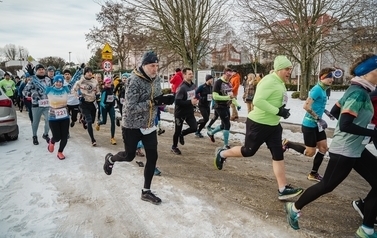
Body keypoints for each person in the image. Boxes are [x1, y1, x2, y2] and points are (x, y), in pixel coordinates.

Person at [284, 54, 377, 238]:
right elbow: (345, 124)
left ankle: (367, 227)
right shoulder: (358, 93)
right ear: (366, 73)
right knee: (327, 185)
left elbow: (335, 110)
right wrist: (373, 132)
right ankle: (294, 207)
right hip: (345, 150)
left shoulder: (358, 90)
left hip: (356, 148)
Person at [213, 56, 304, 200]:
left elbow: (274, 100)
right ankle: (222, 154)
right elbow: (258, 101)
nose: (289, 72)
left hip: (274, 126)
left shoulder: (280, 82)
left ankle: (282, 189)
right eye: (287, 69)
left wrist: (282, 110)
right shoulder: (269, 81)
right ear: (279, 69)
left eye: (290, 69)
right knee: (248, 151)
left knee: (278, 154)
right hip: (259, 124)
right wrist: (278, 111)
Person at [103, 50, 174, 205]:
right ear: (144, 65)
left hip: (149, 125)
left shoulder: (155, 79)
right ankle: (111, 158)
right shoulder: (134, 80)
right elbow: (130, 107)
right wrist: (154, 102)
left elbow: (156, 98)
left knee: (153, 157)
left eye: (157, 65)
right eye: (152, 65)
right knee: (129, 156)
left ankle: (146, 191)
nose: (155, 69)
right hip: (132, 125)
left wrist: (164, 101)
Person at [282, 67, 335, 182]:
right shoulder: (317, 89)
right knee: (310, 153)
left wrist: (326, 112)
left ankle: (313, 174)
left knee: (323, 148)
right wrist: (318, 118)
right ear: (322, 78)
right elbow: (306, 106)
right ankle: (288, 144)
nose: (332, 79)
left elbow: (318, 105)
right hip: (310, 125)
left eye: (332, 77)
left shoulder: (323, 89)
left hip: (318, 125)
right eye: (329, 77)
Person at [207, 68, 241, 149]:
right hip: (219, 106)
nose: (229, 77)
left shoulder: (229, 84)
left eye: (230, 75)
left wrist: (237, 104)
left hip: (226, 106)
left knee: (223, 125)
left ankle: (211, 133)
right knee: (227, 124)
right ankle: (226, 144)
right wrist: (227, 97)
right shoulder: (218, 82)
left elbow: (231, 96)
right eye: (228, 75)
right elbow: (215, 96)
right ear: (224, 73)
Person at [171, 67, 198, 155]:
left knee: (194, 127)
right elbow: (177, 102)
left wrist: (197, 100)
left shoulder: (193, 86)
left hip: (189, 112)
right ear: (184, 75)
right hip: (180, 113)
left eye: (192, 73)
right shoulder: (181, 87)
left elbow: (196, 95)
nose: (192, 75)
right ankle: (174, 147)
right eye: (189, 74)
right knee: (177, 131)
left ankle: (182, 134)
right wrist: (190, 102)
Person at [23, 64, 51, 145]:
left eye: (43, 69)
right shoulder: (32, 80)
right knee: (35, 122)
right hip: (36, 105)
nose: (41, 70)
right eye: (39, 69)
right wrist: (33, 95)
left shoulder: (47, 80)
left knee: (48, 120)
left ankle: (45, 134)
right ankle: (34, 136)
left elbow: (50, 90)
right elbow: (25, 92)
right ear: (36, 71)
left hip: (47, 104)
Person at [72, 67, 100, 146]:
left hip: (92, 103)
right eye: (87, 72)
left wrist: (98, 95)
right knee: (90, 121)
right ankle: (93, 140)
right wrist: (78, 97)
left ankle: (84, 121)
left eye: (91, 71)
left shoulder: (95, 81)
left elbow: (98, 91)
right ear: (84, 73)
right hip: (84, 104)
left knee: (92, 121)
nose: (89, 73)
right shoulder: (80, 81)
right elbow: (73, 90)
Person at [45, 75, 71, 160]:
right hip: (53, 118)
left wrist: (79, 71)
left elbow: (73, 81)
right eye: (57, 81)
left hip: (65, 117)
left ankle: (60, 152)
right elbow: (39, 85)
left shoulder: (65, 89)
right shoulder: (49, 90)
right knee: (57, 137)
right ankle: (51, 142)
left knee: (64, 137)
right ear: (54, 82)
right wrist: (32, 76)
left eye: (60, 82)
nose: (59, 83)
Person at [95, 77, 117, 145]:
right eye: (107, 83)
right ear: (105, 84)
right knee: (104, 122)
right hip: (104, 107)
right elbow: (101, 102)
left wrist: (115, 98)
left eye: (110, 82)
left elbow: (112, 95)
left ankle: (112, 138)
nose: (109, 84)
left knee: (113, 121)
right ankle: (99, 123)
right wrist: (104, 105)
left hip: (111, 107)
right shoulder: (104, 91)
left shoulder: (112, 88)